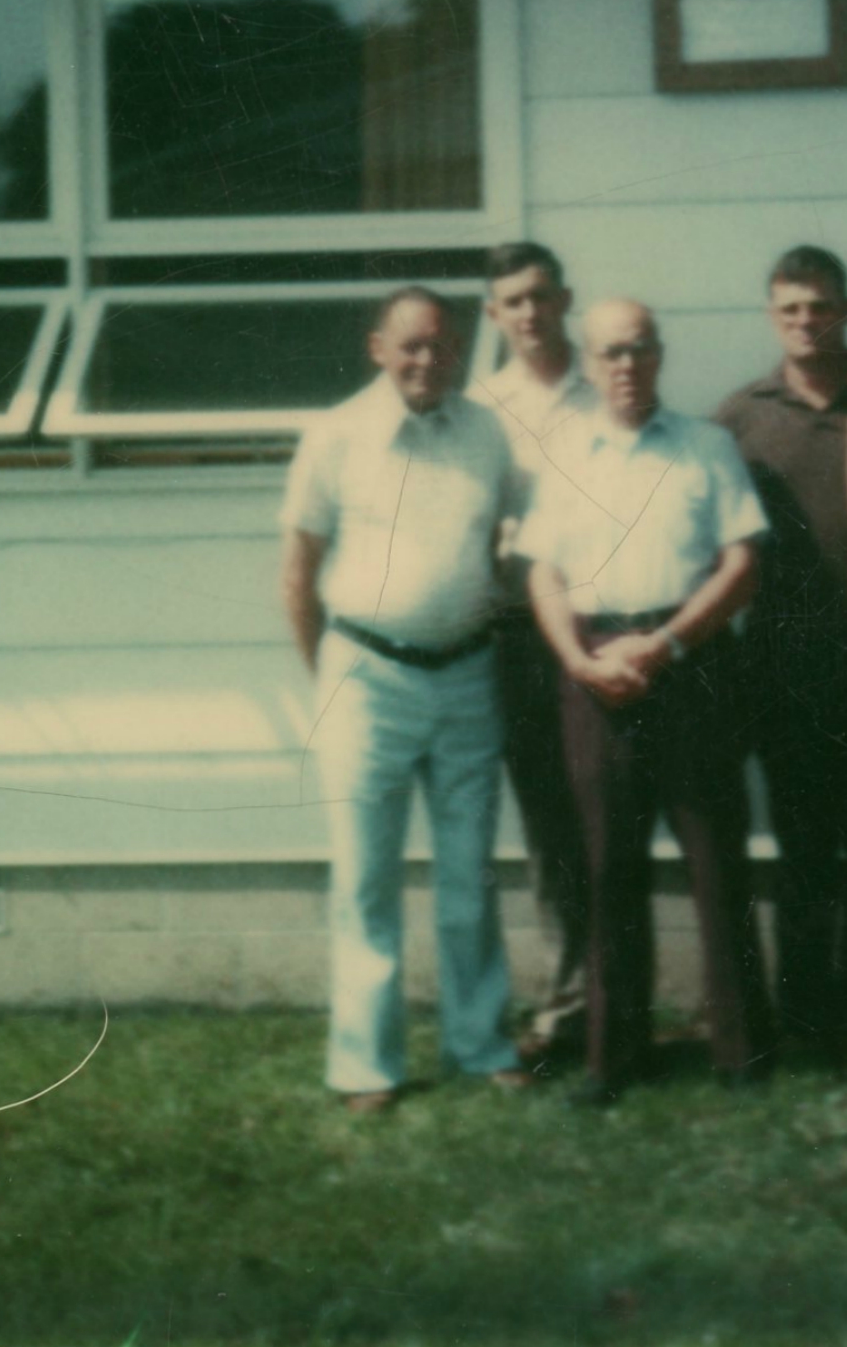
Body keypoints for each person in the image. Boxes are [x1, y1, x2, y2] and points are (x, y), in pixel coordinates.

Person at [518, 298, 774, 1104]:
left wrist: (664, 646)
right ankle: (613, 1057)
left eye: (639, 350)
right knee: (607, 870)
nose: (625, 367)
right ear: (588, 364)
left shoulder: (707, 447)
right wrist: (578, 660)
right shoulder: (563, 453)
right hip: (594, 672)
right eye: (609, 354)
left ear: (660, 355)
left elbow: (741, 565)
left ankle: (742, 1054)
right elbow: (543, 573)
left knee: (717, 865)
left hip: (690, 665)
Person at [279, 287, 527, 1112]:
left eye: (444, 347)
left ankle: (481, 1043)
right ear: (378, 346)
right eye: (411, 346)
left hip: (467, 678)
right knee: (364, 882)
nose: (428, 361)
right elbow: (298, 569)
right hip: (366, 681)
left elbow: (514, 545)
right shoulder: (337, 435)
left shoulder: (488, 433)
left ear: (459, 352)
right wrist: (333, 676)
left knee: (469, 877)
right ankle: (366, 1067)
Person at [715, 247, 847, 1068]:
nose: (805, 322)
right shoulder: (739, 417)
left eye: (820, 307)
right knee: (800, 846)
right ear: (771, 316)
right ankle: (805, 1018)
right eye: (790, 308)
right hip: (782, 659)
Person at [469, 241, 595, 1068]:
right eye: (513, 300)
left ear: (565, 299)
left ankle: (619, 999)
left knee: (610, 816)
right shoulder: (481, 408)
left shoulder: (612, 384)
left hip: (605, 623)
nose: (530, 312)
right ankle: (570, 1007)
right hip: (519, 635)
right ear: (494, 313)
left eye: (543, 296)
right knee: (551, 827)